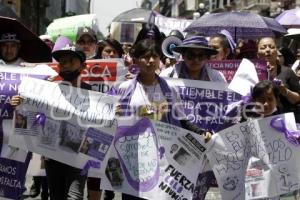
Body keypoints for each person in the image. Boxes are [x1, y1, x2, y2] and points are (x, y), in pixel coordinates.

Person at [117, 38, 211, 200]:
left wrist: (201, 132)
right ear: (136, 60)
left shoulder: (169, 89)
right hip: (133, 157)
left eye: (154, 56)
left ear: (160, 59)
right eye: (145, 57)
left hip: (162, 157)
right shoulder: (125, 89)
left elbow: (181, 119)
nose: (150, 61)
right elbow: (114, 120)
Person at [257, 37, 300, 122]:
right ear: (257, 54)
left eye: (271, 47)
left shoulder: (287, 71)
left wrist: (285, 91)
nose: (268, 50)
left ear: (276, 52)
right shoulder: (251, 72)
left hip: (285, 121)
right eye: (263, 47)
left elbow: (298, 99)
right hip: (260, 122)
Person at [160, 33, 226, 82]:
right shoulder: (167, 76)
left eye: (201, 56)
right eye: (191, 55)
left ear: (206, 56)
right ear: (183, 55)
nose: (196, 60)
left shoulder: (218, 78)